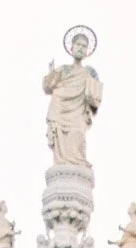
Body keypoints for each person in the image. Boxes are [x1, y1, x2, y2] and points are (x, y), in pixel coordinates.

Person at [43, 30, 102, 168]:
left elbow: (96, 98)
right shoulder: (63, 70)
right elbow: (47, 87)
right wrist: (51, 73)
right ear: (72, 48)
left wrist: (94, 83)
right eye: (78, 45)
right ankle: (62, 166)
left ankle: (77, 166)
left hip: (78, 112)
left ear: (87, 51)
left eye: (84, 46)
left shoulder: (89, 72)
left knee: (77, 135)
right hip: (60, 108)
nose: (81, 48)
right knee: (60, 142)